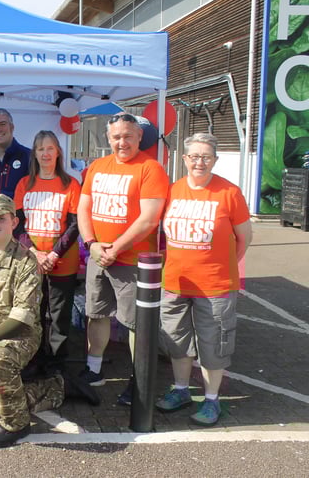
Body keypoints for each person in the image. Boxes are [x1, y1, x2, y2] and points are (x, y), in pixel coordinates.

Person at [0, 194, 98, 449]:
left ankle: (16, 424)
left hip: (19, 335)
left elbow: (22, 318)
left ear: (14, 221)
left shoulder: (26, 262)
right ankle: (57, 388)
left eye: (1, 218)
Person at [155, 133, 252, 426]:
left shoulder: (229, 193)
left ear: (215, 160)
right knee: (177, 342)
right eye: (194, 156)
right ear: (184, 159)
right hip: (175, 282)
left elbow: (244, 237)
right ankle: (182, 390)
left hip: (215, 286)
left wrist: (223, 266)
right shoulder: (172, 191)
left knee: (214, 345)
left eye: (206, 157)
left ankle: (212, 400)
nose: (200, 162)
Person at [77, 113, 169, 406]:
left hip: (132, 260)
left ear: (139, 137)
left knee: (135, 323)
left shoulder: (150, 169)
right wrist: (92, 244)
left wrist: (115, 247)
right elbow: (84, 208)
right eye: (116, 137)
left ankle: (138, 379)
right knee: (97, 313)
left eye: (128, 136)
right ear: (108, 138)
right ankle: (94, 369)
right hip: (99, 256)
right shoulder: (97, 166)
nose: (122, 142)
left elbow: (149, 218)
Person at [14, 130, 81, 375]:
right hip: (31, 262)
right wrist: (34, 253)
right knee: (33, 314)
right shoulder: (25, 184)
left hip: (62, 263)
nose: (45, 153)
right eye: (41, 149)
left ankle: (55, 367)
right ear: (35, 153)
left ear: (58, 152)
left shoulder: (70, 184)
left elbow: (75, 225)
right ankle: (33, 361)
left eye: (50, 148)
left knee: (58, 317)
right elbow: (18, 224)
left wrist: (53, 255)